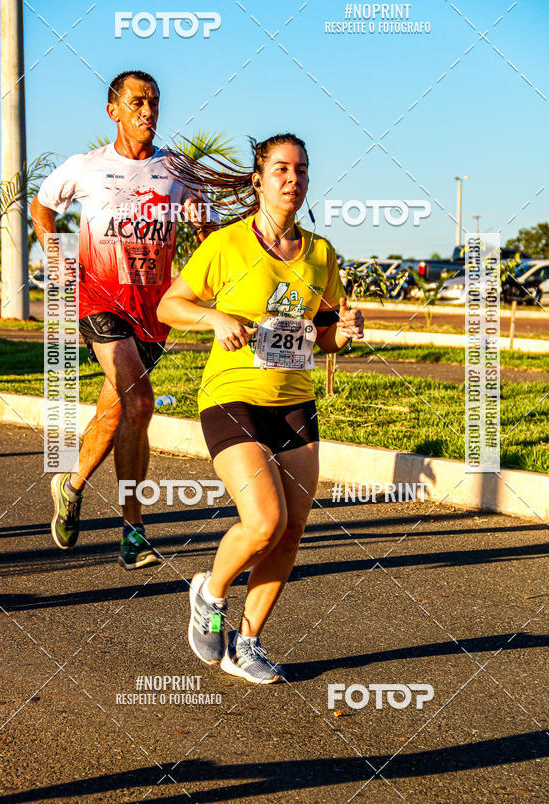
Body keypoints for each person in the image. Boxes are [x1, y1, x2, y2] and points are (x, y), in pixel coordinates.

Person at [157, 133, 364, 683]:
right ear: (258, 179)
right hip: (232, 395)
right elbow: (170, 304)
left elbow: (322, 336)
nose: (292, 179)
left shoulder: (321, 254)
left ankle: (246, 644)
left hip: (294, 402)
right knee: (264, 520)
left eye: (301, 169)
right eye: (280, 169)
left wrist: (343, 331)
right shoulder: (226, 245)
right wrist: (215, 319)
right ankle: (210, 590)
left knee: (292, 529)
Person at [30, 69, 201, 569]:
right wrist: (50, 243)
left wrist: (199, 220)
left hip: (153, 311)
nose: (148, 112)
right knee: (141, 401)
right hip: (99, 300)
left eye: (154, 102)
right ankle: (133, 533)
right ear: (114, 111)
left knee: (113, 414)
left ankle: (71, 483)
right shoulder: (85, 167)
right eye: (137, 102)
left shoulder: (177, 170)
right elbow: (43, 206)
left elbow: (203, 223)